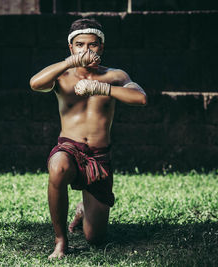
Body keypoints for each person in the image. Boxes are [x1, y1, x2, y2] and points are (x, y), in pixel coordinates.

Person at [29, 18, 147, 259]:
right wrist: (68, 63)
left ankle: (83, 209)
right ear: (71, 47)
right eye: (80, 45)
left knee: (95, 238)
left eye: (93, 45)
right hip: (70, 149)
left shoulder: (114, 75)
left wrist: (101, 88)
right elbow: (35, 83)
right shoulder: (62, 76)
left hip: (99, 156)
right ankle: (61, 241)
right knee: (58, 166)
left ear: (101, 48)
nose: (86, 50)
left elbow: (140, 98)